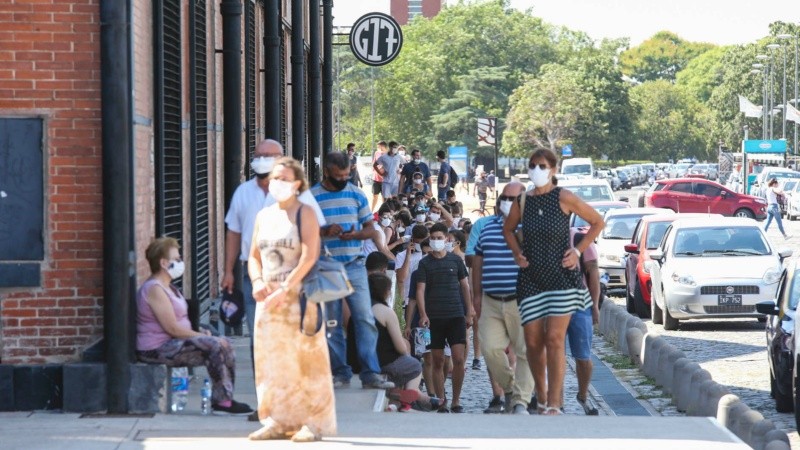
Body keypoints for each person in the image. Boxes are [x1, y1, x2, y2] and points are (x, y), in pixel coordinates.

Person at [221, 139, 325, 421]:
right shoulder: (243, 193)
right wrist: (228, 270)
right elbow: (234, 234)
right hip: (255, 276)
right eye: (258, 155)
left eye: (270, 156)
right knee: (262, 340)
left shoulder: (300, 194)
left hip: (294, 276)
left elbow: (315, 236)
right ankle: (266, 403)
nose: (263, 160)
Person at [501, 148, 604, 415]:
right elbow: (507, 229)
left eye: (543, 166)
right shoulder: (522, 201)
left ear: (554, 169)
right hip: (531, 279)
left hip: (562, 278)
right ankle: (543, 395)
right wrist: (516, 253)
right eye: (533, 165)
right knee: (534, 342)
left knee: (555, 339)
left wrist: (578, 251)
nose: (537, 170)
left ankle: (556, 403)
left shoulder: (564, 197)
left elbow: (597, 221)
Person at [246, 157, 335, 441]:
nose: (277, 183)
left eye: (283, 178)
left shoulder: (304, 212)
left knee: (307, 359)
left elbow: (310, 255)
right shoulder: (264, 215)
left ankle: (313, 422)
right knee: (271, 359)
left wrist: (286, 287)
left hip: (299, 297)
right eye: (274, 178)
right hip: (267, 298)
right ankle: (276, 419)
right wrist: (257, 281)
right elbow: (253, 256)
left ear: (297, 183)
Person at [136, 237, 253, 416]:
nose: (180, 262)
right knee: (215, 345)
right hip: (157, 348)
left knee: (225, 343)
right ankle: (221, 401)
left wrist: (200, 332)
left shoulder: (169, 287)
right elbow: (172, 329)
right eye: (176, 259)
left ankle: (226, 399)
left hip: (174, 343)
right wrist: (200, 337)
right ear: (163, 263)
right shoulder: (155, 289)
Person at [311, 151, 395, 390]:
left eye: (347, 175)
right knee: (332, 322)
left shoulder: (356, 194)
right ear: (327, 172)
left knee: (365, 318)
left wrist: (355, 234)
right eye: (339, 176)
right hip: (326, 266)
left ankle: (370, 372)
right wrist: (324, 231)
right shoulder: (312, 197)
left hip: (355, 263)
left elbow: (372, 230)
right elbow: (303, 231)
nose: (343, 179)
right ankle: (340, 372)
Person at [472, 182, 534, 415]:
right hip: (490, 300)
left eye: (514, 199)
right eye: (505, 198)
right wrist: (476, 295)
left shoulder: (530, 229)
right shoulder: (487, 228)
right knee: (490, 348)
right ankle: (509, 389)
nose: (508, 203)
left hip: (521, 300)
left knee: (525, 351)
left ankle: (520, 402)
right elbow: (477, 262)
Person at [416, 223, 475, 413]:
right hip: (435, 318)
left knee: (458, 359)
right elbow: (420, 289)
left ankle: (456, 400)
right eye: (433, 238)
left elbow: (465, 286)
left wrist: (470, 310)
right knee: (437, 360)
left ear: (447, 239)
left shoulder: (456, 261)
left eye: (439, 238)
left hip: (456, 315)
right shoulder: (424, 263)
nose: (436, 241)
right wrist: (423, 313)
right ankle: (442, 399)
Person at [369, 273, 441, 412]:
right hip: (380, 362)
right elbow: (401, 348)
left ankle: (395, 404)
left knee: (398, 371)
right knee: (413, 365)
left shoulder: (359, 309)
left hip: (358, 361)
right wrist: (405, 346)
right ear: (386, 292)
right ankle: (410, 400)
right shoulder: (386, 312)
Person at [568, 227, 601, 415]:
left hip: (581, 304)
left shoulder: (581, 238)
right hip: (551, 303)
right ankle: (552, 399)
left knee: (583, 358)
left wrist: (595, 305)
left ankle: (583, 395)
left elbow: (593, 274)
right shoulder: (542, 235)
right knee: (550, 354)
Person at [370, 141, 387, 211]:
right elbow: (373, 164)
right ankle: (371, 211)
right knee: (375, 196)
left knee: (384, 197)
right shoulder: (377, 153)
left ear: (383, 146)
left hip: (385, 180)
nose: (378, 148)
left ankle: (383, 211)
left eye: (379, 146)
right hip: (376, 179)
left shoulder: (388, 154)